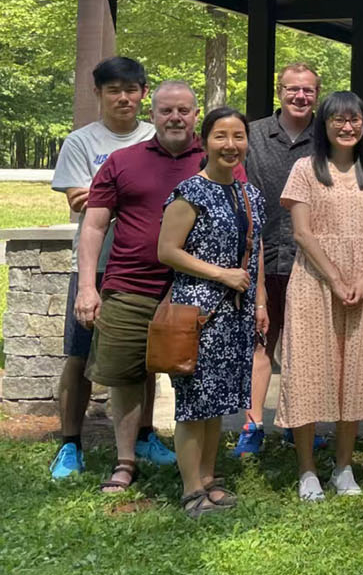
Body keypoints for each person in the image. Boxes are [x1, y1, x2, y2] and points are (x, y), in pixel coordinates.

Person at [75, 80, 204, 494]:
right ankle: (126, 460)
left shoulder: (215, 159)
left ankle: (198, 468)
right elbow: (94, 225)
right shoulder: (121, 161)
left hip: (193, 291)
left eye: (183, 110)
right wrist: (87, 287)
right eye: (167, 110)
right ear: (153, 114)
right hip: (129, 287)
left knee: (193, 379)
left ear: (196, 114)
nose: (175, 118)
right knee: (124, 377)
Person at [48, 56, 165, 479]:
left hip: (143, 269)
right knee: (79, 356)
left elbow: (95, 196)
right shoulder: (81, 141)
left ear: (144, 93)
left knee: (145, 358)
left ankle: (147, 435)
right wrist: (130, 196)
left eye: (131, 89)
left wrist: (107, 193)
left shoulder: (157, 135)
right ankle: (70, 444)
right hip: (94, 267)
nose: (123, 98)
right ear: (98, 94)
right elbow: (78, 200)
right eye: (113, 90)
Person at [276, 91, 363, 501]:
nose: (347, 127)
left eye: (355, 120)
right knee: (309, 370)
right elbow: (302, 232)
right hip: (313, 280)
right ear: (323, 125)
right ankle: (307, 469)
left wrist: (362, 279)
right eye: (338, 120)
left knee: (356, 373)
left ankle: (344, 467)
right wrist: (335, 278)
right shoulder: (305, 169)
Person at [155, 107, 267, 518]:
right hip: (198, 314)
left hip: (235, 314)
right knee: (193, 404)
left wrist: (259, 303)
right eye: (221, 136)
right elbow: (167, 251)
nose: (231, 145)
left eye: (239, 136)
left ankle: (208, 478)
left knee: (218, 403)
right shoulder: (190, 193)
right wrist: (221, 274)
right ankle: (190, 491)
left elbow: (254, 254)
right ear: (205, 141)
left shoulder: (249, 195)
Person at [237, 62, 320, 456]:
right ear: (279, 91)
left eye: (308, 90)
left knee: (304, 350)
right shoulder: (252, 135)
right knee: (260, 343)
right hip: (263, 255)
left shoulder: (329, 135)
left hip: (312, 260)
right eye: (293, 89)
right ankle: (253, 426)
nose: (300, 96)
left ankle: (298, 423)